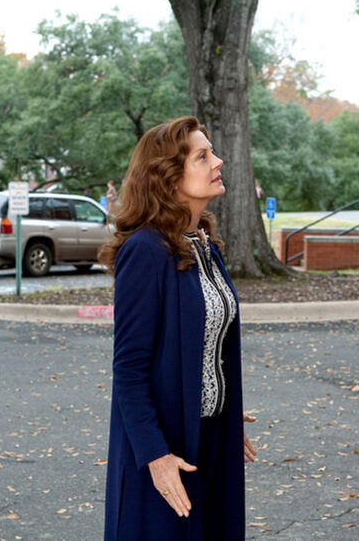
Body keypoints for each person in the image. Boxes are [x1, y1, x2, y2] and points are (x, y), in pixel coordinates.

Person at [100, 116, 257, 540]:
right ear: (168, 176)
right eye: (203, 156)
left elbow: (207, 344)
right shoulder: (145, 251)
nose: (218, 161)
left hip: (211, 435)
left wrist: (218, 399)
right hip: (166, 446)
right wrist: (155, 456)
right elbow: (129, 370)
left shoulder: (204, 245)